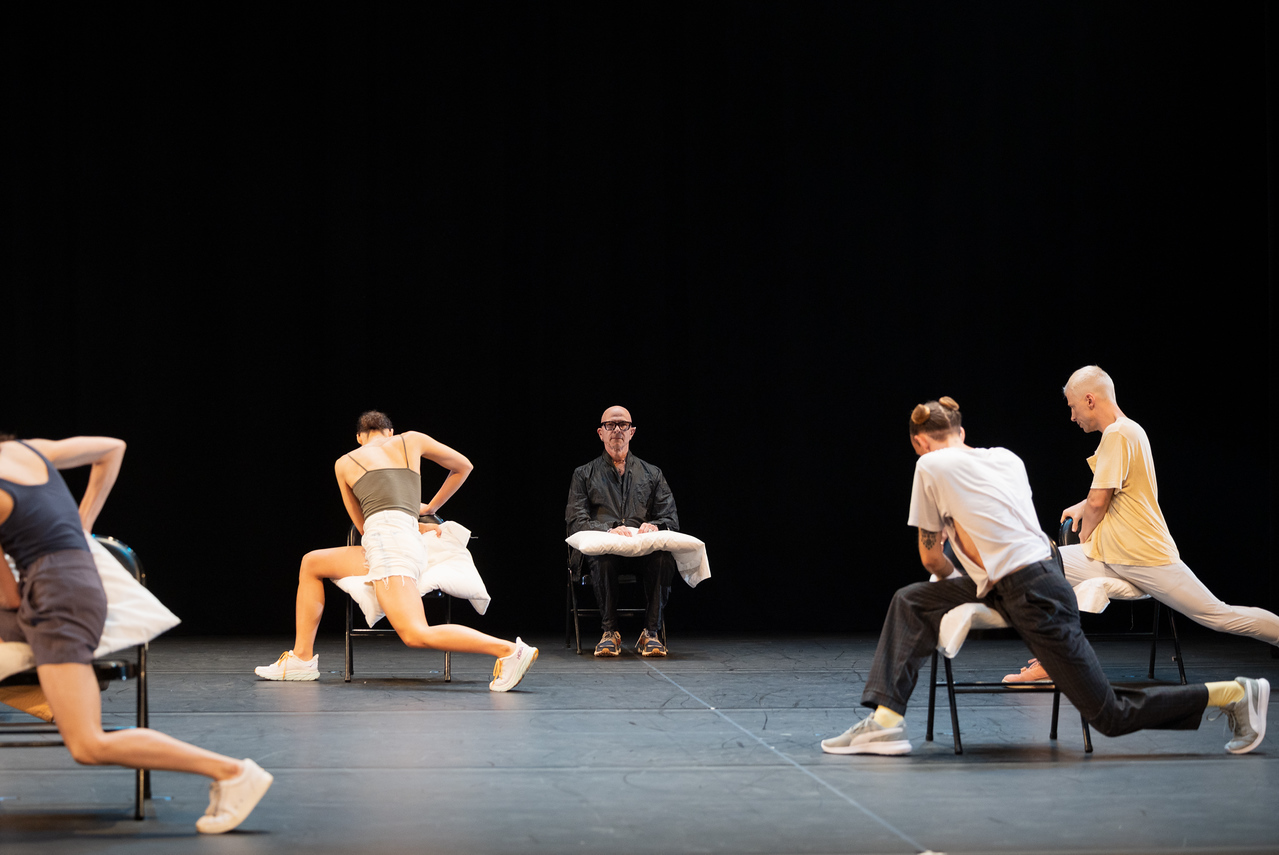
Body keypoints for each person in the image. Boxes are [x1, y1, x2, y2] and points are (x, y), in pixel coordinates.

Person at [820, 397, 1268, 757]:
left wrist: (955, 571)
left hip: (1030, 590)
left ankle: (1233, 694)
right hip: (1035, 575)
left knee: (1107, 714)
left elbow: (933, 561)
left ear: (920, 442)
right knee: (911, 600)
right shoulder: (1006, 459)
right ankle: (884, 723)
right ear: (961, 433)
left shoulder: (929, 466)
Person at [0, 435, 273, 833]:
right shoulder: (28, 449)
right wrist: (83, 523)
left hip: (55, 601)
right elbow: (112, 448)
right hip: (76, 585)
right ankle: (53, 694)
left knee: (89, 744)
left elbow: (8, 596)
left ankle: (231, 772)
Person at [1004, 366, 1279, 683]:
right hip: (1114, 554)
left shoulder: (1118, 434)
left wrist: (1086, 523)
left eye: (1072, 407)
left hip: (1145, 556)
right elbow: (1119, 491)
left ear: (1090, 400)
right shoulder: (1128, 430)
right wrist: (1084, 508)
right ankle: (1053, 659)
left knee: (1219, 615)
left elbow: (1099, 502)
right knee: (1042, 566)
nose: (1072, 416)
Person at [254, 411, 537, 691]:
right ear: (390, 431)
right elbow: (464, 466)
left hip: (389, 546)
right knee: (312, 563)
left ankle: (510, 651)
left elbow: (363, 526)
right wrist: (428, 510)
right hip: (396, 542)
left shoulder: (344, 463)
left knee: (415, 633)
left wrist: (410, 520)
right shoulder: (411, 440)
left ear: (359, 438)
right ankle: (301, 658)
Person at [565, 405, 679, 657]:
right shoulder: (584, 474)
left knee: (664, 558)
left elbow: (669, 516)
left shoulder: (652, 473)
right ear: (600, 432)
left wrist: (655, 525)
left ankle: (651, 633)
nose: (616, 429)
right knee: (602, 558)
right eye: (610, 425)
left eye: (622, 425)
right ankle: (609, 632)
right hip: (605, 552)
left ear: (632, 431)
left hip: (641, 551)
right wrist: (608, 529)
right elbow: (575, 519)